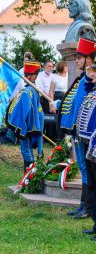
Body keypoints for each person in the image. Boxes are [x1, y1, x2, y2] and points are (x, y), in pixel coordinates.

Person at [58, 37, 96, 219]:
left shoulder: (91, 79)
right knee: (82, 167)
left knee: (86, 168)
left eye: (80, 57)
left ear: (89, 58)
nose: (77, 61)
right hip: (77, 129)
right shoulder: (83, 78)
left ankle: (88, 207)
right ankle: (83, 205)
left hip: (85, 132)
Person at [5, 61, 44, 172]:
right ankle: (28, 179)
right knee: (28, 151)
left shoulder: (27, 92)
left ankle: (28, 180)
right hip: (31, 125)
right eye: (25, 74)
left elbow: (24, 111)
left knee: (26, 152)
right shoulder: (32, 90)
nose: (26, 77)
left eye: (29, 75)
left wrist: (18, 127)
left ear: (34, 77)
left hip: (26, 127)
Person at [80, 63, 96, 239]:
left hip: (95, 144)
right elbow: (86, 83)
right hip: (88, 142)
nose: (92, 76)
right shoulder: (92, 91)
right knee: (92, 185)